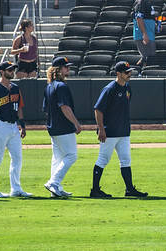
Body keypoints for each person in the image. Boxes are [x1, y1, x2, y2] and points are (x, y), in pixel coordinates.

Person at [91, 61, 146, 198]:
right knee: (103, 159)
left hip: (123, 131)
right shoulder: (110, 88)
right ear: (118, 74)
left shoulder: (127, 88)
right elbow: (98, 109)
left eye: (130, 71)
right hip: (110, 131)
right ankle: (95, 190)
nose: (129, 74)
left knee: (126, 160)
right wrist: (101, 129)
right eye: (126, 72)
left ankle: (129, 189)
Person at [0, 60, 29, 198]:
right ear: (2, 72)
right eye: (9, 70)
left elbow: (19, 108)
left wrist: (23, 126)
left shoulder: (15, 88)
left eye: (13, 70)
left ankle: (16, 188)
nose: (12, 72)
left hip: (13, 126)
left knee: (17, 158)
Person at [43, 56, 81, 198]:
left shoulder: (49, 86)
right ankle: (53, 182)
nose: (68, 69)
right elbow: (65, 107)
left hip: (53, 127)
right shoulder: (61, 86)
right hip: (63, 127)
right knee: (71, 156)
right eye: (66, 67)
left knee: (58, 158)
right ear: (58, 70)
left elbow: (45, 109)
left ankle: (56, 188)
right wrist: (76, 123)